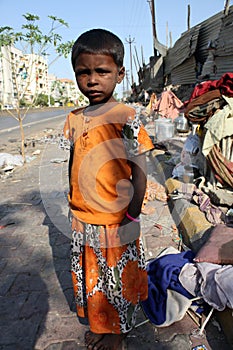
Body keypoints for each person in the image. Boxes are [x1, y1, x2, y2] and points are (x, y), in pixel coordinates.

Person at [63, 28, 154, 350]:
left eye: (101, 71)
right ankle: (102, 323)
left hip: (117, 219)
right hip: (82, 216)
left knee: (117, 280)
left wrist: (132, 216)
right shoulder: (74, 118)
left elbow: (139, 171)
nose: (91, 80)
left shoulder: (126, 116)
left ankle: (117, 333)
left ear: (119, 73)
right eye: (83, 72)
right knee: (93, 278)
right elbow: (75, 160)